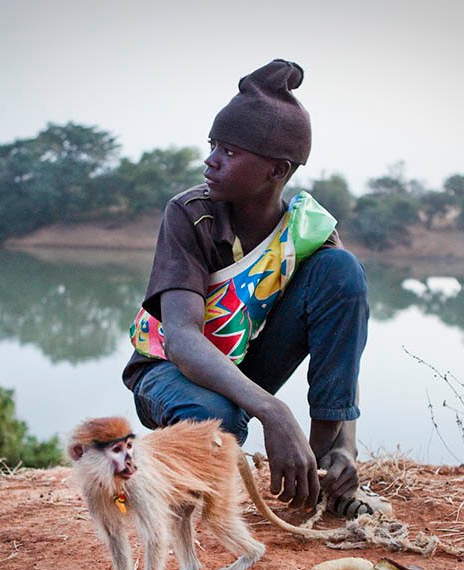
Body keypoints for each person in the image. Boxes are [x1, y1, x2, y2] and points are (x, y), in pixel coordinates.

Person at [122, 59, 388, 518]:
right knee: (215, 422)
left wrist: (345, 443)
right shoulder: (191, 215)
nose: (210, 161)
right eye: (212, 146)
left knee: (342, 270)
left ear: (276, 170)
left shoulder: (307, 230)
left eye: (229, 151)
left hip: (244, 368)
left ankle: (328, 467)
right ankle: (178, 465)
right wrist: (273, 411)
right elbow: (181, 339)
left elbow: (341, 346)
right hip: (167, 371)